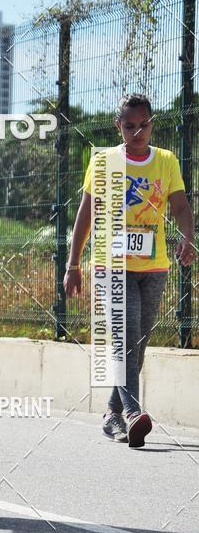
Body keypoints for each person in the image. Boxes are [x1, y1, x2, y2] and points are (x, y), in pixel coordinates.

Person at [64, 93, 195, 447]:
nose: (138, 132)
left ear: (152, 123)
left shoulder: (165, 161)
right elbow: (85, 214)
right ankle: (134, 412)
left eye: (144, 125)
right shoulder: (104, 161)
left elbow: (181, 206)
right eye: (129, 126)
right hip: (112, 265)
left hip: (154, 267)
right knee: (124, 337)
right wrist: (73, 264)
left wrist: (187, 236)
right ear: (117, 126)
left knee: (138, 342)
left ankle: (111, 413)